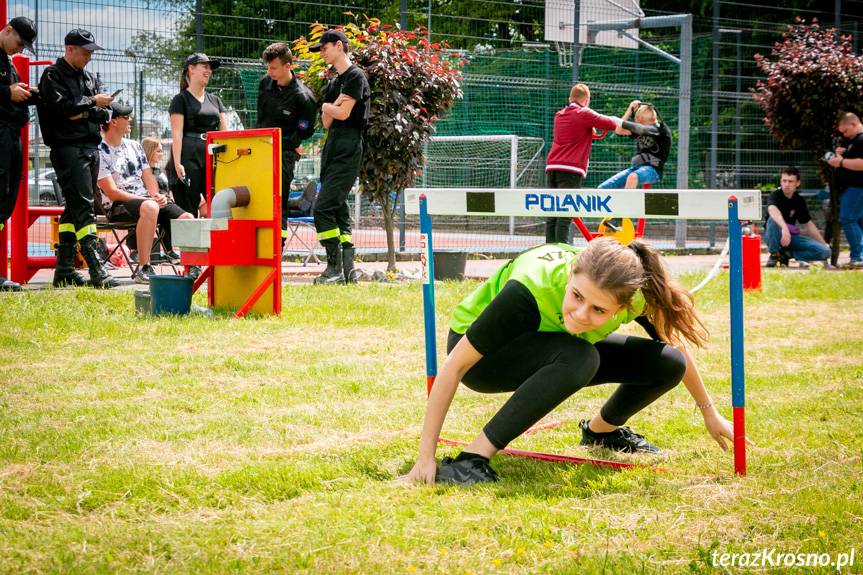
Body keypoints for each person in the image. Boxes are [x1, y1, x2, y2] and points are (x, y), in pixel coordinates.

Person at [407, 238, 740, 485]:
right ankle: (471, 460)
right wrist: (425, 458)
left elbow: (674, 345)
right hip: (487, 358)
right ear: (570, 277)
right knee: (580, 355)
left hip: (562, 346)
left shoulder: (634, 294)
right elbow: (455, 365)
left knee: (668, 362)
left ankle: (601, 432)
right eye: (577, 296)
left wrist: (710, 413)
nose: (581, 315)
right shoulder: (528, 290)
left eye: (599, 310)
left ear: (623, 308)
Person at [37, 28, 118, 288]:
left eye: (90, 53)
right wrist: (92, 104)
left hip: (90, 147)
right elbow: (61, 110)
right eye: (85, 52)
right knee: (84, 207)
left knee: (73, 209)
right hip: (68, 149)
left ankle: (64, 271)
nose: (88, 58)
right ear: (69, 49)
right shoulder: (52, 75)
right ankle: (97, 271)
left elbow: (105, 114)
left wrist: (88, 108)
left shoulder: (88, 77)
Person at [97, 102, 193, 283]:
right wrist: (147, 200)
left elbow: (148, 177)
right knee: (150, 207)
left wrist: (156, 195)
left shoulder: (134, 145)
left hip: (146, 201)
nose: (130, 119)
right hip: (118, 205)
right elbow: (112, 192)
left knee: (187, 218)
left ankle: (190, 268)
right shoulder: (99, 151)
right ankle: (144, 268)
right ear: (113, 121)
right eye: (126, 117)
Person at [309, 29, 370, 285]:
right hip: (332, 144)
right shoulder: (334, 82)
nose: (322, 52)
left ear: (339, 46)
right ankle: (348, 270)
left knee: (322, 207)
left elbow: (343, 114)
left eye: (324, 48)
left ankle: (333, 268)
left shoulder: (356, 76)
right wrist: (331, 107)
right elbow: (326, 121)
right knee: (339, 206)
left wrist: (329, 106)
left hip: (349, 144)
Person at [255, 42, 317, 248]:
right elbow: (260, 118)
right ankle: (257, 243)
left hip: (283, 154)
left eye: (273, 67)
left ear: (288, 66)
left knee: (277, 200)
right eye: (268, 67)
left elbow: (305, 131)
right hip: (259, 150)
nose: (269, 71)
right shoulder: (265, 84)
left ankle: (277, 247)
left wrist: (291, 143)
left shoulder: (303, 97)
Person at [544, 84, 621, 244]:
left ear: (570, 99)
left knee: (552, 212)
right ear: (586, 100)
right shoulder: (584, 112)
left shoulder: (559, 115)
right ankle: (562, 251)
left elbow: (574, 131)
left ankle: (549, 249)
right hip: (570, 169)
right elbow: (609, 123)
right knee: (566, 213)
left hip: (552, 167)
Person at [0, 16, 37, 292]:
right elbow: (5, 94)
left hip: (11, 136)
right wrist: (6, 93)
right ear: (7, 29)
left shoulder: (8, 62)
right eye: (19, 43)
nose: (20, 50)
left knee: (5, 202)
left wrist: (26, 93)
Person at [167, 53, 227, 218]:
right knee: (188, 206)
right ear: (191, 69)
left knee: (216, 204)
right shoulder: (180, 99)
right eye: (204, 66)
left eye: (210, 68)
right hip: (188, 157)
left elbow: (226, 133)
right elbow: (177, 133)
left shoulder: (215, 100)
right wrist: (178, 163)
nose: (209, 71)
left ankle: (214, 244)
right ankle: (186, 244)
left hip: (212, 156)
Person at [763, 166, 830, 267]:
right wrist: (784, 228)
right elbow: (772, 210)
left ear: (797, 183)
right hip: (773, 236)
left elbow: (809, 224)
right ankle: (774, 254)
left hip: (791, 238)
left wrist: (823, 243)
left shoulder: (799, 200)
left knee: (825, 251)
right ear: (780, 181)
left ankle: (787, 254)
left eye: (790, 181)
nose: (786, 184)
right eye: (784, 181)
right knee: (773, 219)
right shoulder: (775, 195)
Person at [598, 101, 672, 190]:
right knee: (603, 188)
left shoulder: (661, 130)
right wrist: (629, 111)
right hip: (637, 168)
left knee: (632, 177)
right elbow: (619, 130)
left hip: (654, 170)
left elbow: (642, 129)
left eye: (639, 123)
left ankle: (627, 203)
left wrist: (616, 120)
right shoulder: (639, 129)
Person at [827, 112, 863, 268]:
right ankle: (858, 256)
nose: (844, 135)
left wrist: (841, 162)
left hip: (858, 187)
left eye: (845, 131)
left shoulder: (862, 140)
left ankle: (858, 257)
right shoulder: (854, 140)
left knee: (848, 218)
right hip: (852, 187)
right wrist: (842, 154)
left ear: (853, 124)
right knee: (858, 222)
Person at [141, 136, 180, 262]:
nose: (162, 154)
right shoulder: (143, 172)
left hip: (165, 202)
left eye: (162, 151)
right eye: (158, 151)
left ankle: (170, 250)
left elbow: (166, 189)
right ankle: (168, 251)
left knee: (182, 214)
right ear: (149, 151)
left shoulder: (160, 170)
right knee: (165, 213)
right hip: (152, 204)